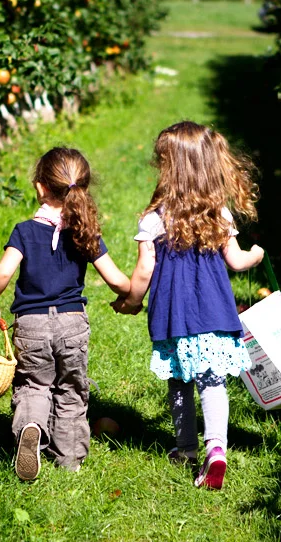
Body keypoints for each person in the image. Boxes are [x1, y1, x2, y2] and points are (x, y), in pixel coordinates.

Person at [113, 121, 264, 490]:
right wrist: (255, 256)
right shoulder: (220, 214)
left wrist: (131, 301)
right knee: (213, 382)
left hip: (173, 316)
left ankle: (185, 449)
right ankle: (217, 449)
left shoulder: (154, 219)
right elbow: (236, 261)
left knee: (179, 382)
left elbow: (144, 271)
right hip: (214, 313)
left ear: (170, 169)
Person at [0, 147, 130, 480]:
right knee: (71, 389)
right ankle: (70, 459)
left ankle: (31, 427)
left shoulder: (25, 231)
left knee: (33, 384)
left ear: (40, 188)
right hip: (72, 324)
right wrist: (132, 295)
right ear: (83, 190)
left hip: (30, 325)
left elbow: (2, 274)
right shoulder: (85, 232)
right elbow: (116, 279)